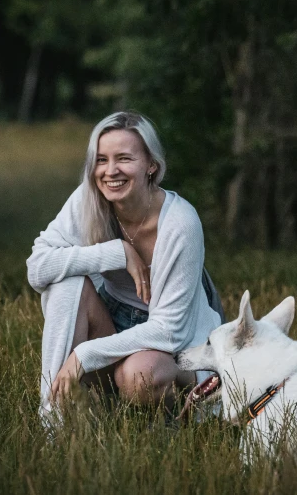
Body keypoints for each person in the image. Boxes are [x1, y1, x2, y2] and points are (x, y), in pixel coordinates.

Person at [27, 111, 224, 418]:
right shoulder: (89, 200)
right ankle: (52, 419)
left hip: (177, 340)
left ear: (152, 165)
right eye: (101, 159)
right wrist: (114, 253)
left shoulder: (181, 221)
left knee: (138, 376)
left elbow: (170, 330)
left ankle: (181, 412)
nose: (110, 171)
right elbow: (37, 269)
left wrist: (83, 354)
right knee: (66, 284)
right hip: (113, 317)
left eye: (124, 158)